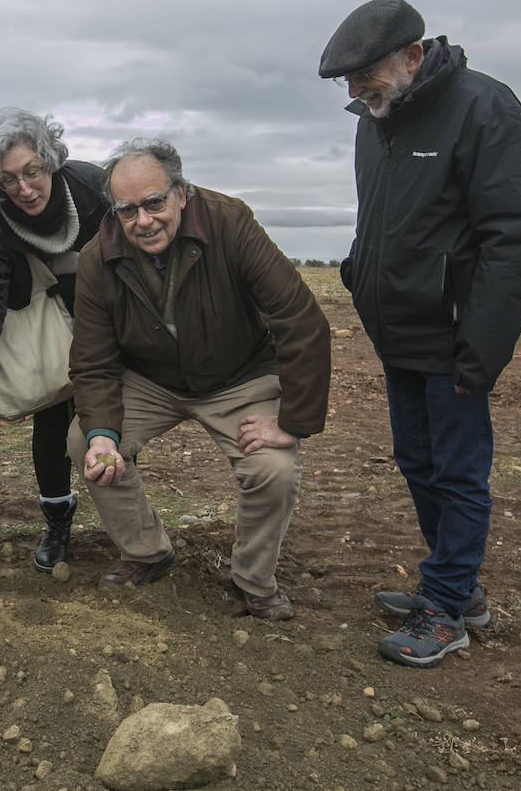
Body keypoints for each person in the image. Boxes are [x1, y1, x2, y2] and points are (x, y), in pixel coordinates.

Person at [318, 0, 521, 666]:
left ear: (414, 55)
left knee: (459, 471)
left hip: (455, 336)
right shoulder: (377, 120)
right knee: (418, 462)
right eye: (348, 82)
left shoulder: (484, 106)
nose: (356, 93)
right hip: (401, 333)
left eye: (366, 76)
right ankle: (458, 587)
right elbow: (379, 222)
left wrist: (484, 348)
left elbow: (515, 240)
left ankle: (445, 608)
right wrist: (362, 276)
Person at [69, 139, 331, 618]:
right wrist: (103, 435)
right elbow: (93, 360)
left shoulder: (230, 223)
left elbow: (301, 320)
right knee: (85, 443)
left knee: (272, 468)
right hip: (152, 380)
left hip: (239, 374)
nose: (143, 221)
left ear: (181, 193)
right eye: (127, 210)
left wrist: (293, 421)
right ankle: (147, 552)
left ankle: (254, 580)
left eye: (154, 203)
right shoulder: (96, 258)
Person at [0, 108, 107, 571]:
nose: (25, 189)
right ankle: (57, 520)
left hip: (109, 324)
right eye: (10, 180)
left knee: (108, 422)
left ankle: (125, 520)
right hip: (48, 335)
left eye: (32, 172)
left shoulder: (94, 190)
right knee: (53, 421)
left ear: (50, 161)